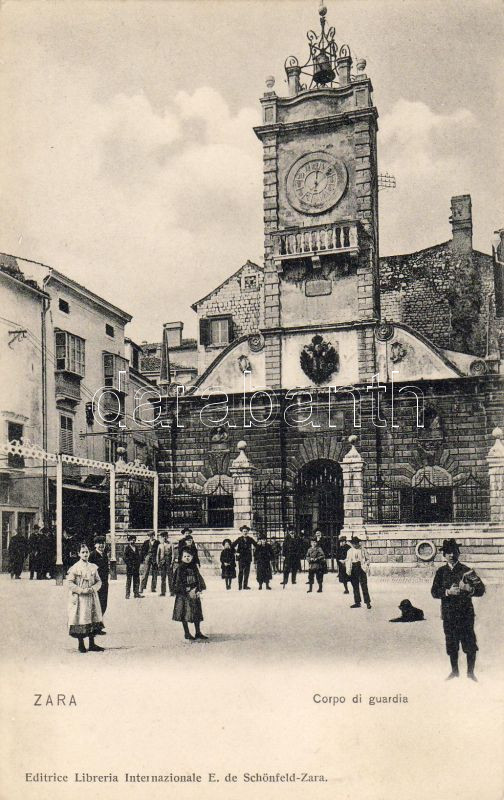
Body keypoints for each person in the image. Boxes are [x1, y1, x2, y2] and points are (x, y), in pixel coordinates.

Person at [431, 539, 485, 681]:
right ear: (444, 555)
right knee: (452, 644)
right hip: (448, 615)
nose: (451, 555)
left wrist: (468, 588)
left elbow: (481, 589)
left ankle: (470, 673)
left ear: (458, 553)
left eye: (454, 552)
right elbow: (434, 592)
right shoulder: (441, 572)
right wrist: (448, 592)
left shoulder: (467, 570)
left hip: (465, 614)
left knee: (470, 644)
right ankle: (454, 672)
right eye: (448, 552)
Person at [66, 542, 105, 653]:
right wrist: (81, 590)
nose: (85, 554)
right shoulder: (75, 568)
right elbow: (69, 583)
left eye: (87, 552)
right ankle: (81, 644)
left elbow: (99, 581)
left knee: (92, 617)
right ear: (79, 554)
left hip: (91, 596)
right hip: (81, 598)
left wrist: (93, 588)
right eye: (83, 552)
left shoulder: (93, 567)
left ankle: (92, 644)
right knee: (81, 618)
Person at [172, 548, 207, 641]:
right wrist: (185, 589)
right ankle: (187, 633)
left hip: (194, 593)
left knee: (196, 613)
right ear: (181, 557)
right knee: (184, 613)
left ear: (192, 557)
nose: (187, 558)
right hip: (184, 595)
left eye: (189, 556)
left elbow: (199, 579)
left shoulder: (194, 567)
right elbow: (177, 582)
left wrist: (198, 589)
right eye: (185, 556)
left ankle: (198, 632)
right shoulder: (180, 568)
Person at [89, 535, 109, 634]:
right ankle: (94, 627)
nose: (101, 545)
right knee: (96, 605)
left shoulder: (104, 554)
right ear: (95, 545)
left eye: (103, 543)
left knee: (103, 604)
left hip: (104, 583)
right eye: (99, 543)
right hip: (96, 584)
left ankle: (98, 626)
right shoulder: (92, 555)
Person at [345, 536, 371, 609]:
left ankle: (367, 602)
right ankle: (357, 602)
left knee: (364, 586)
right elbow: (348, 561)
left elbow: (368, 559)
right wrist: (348, 570)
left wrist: (366, 564)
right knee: (355, 586)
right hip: (353, 568)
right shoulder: (350, 551)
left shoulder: (363, 550)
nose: (355, 545)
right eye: (353, 543)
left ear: (358, 543)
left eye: (356, 543)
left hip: (361, 568)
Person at [233, 525, 257, 590]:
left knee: (247, 572)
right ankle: (240, 586)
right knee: (241, 571)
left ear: (248, 532)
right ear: (242, 532)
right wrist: (236, 553)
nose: (245, 532)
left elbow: (256, 545)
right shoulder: (239, 539)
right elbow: (232, 546)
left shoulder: (250, 539)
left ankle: (245, 586)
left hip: (248, 558)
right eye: (244, 531)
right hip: (241, 558)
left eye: (246, 531)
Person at [123, 534, 143, 599]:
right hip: (130, 567)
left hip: (136, 567)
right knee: (129, 581)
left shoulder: (136, 548)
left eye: (134, 540)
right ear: (129, 541)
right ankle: (127, 594)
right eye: (132, 540)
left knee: (136, 580)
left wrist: (138, 563)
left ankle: (136, 593)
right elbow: (124, 557)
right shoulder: (127, 548)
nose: (133, 541)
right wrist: (129, 564)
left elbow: (138, 556)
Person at [157, 531, 172, 597]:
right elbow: (158, 555)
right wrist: (158, 563)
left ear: (167, 537)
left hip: (169, 561)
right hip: (162, 562)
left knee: (170, 577)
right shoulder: (160, 545)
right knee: (163, 577)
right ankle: (163, 592)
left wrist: (172, 563)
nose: (164, 538)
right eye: (163, 537)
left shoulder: (170, 544)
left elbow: (173, 554)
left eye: (165, 536)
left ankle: (172, 591)